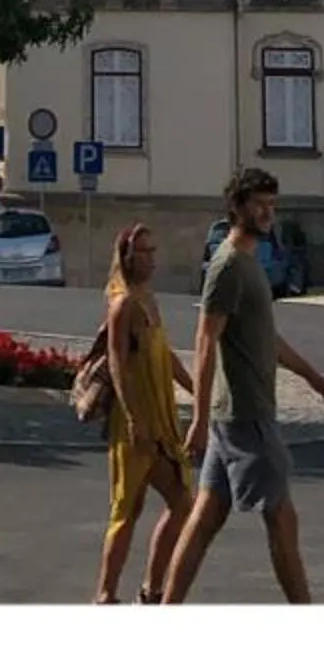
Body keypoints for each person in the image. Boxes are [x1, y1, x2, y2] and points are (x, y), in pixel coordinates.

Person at [161, 167, 324, 607]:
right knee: (282, 519)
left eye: (272, 205)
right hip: (244, 416)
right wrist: (199, 419)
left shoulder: (248, 263)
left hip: (237, 416)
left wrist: (312, 376)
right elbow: (205, 342)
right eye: (259, 205)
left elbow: (267, 337)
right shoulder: (227, 267)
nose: (267, 213)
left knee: (204, 520)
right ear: (238, 207)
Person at [94, 222, 195, 605]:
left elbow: (164, 355)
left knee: (181, 503)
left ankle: (150, 591)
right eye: (143, 252)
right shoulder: (123, 304)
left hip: (162, 420)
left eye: (154, 251)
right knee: (128, 509)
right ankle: (106, 595)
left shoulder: (149, 299)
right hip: (136, 423)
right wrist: (135, 418)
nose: (151, 259)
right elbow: (117, 362)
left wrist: (198, 393)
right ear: (127, 256)